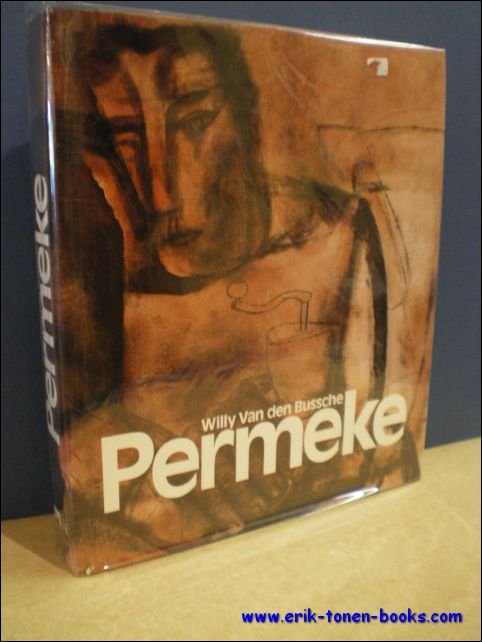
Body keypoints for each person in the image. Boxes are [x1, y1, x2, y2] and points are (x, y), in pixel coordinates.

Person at [58, 18, 416, 573]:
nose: (160, 191)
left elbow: (381, 453)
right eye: (128, 138)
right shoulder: (110, 261)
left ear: (249, 119)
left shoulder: (340, 238)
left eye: (195, 121)